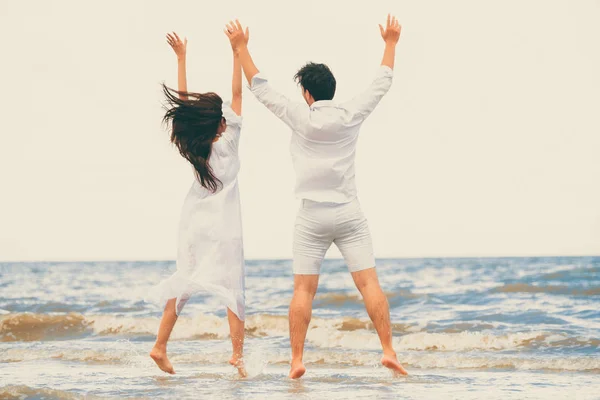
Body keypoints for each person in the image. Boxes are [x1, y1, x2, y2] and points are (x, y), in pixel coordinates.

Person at [224, 15, 408, 379]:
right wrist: (390, 43)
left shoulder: (299, 115)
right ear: (331, 90)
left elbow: (260, 87)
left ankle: (296, 360)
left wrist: (242, 48)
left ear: (307, 93)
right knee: (369, 283)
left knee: (304, 289)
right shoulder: (351, 113)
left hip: (311, 217)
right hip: (348, 212)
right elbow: (381, 82)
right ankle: (388, 350)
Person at [147, 30, 248, 377]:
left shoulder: (196, 147)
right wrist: (237, 52)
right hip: (223, 226)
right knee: (234, 286)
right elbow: (237, 92)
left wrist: (181, 59)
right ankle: (237, 356)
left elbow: (185, 106)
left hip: (193, 223)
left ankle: (160, 345)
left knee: (185, 281)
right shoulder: (231, 141)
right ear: (222, 124)